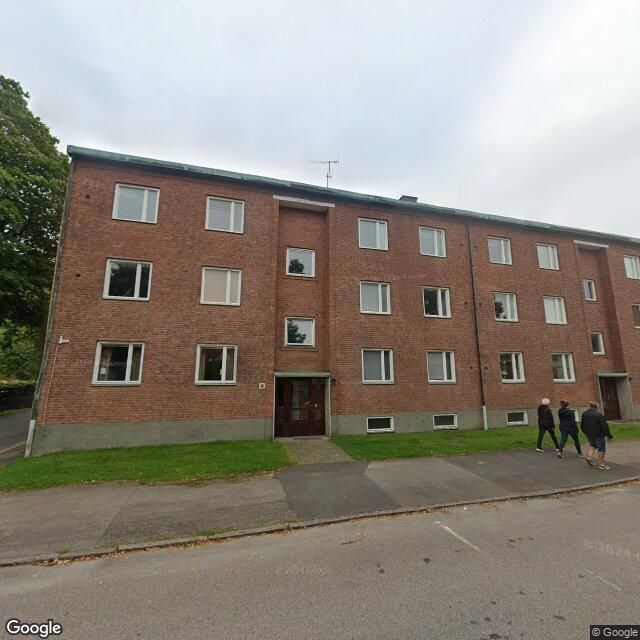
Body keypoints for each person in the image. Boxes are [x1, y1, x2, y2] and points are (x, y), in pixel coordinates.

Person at [581, 402, 613, 470]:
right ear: (596, 407)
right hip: (599, 434)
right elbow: (604, 426)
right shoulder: (599, 415)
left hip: (589, 434)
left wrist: (585, 432)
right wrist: (609, 436)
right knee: (601, 449)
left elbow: (582, 424)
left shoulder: (584, 414)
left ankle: (589, 457)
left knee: (593, 445)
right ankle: (601, 464)